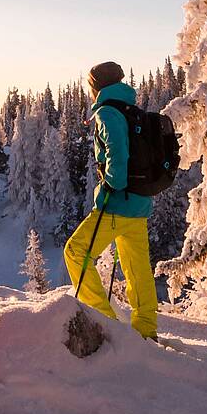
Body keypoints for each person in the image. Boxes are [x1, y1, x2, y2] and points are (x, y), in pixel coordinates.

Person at [64, 60, 157, 340]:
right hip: (139, 204)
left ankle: (104, 321)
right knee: (137, 270)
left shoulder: (106, 112)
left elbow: (118, 152)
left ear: (96, 85)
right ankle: (146, 331)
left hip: (116, 203)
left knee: (76, 251)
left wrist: (111, 187)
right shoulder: (132, 110)